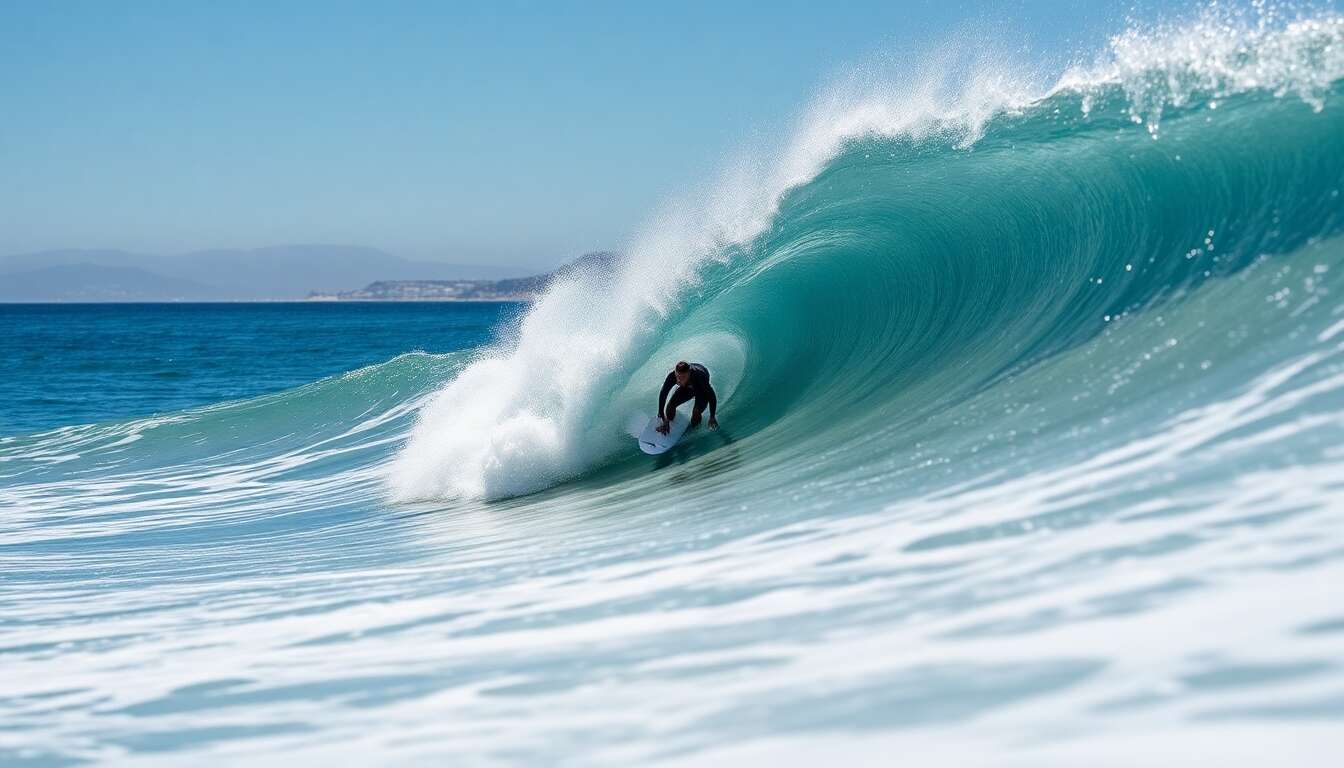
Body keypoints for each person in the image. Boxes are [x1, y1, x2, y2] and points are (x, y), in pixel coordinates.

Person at [656, 360, 718, 434]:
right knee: (671, 405)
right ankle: (668, 423)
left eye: (683, 377)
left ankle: (695, 429)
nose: (680, 379)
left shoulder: (699, 376)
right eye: (678, 376)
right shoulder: (672, 376)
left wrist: (712, 417)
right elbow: (663, 393)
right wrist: (661, 414)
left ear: (689, 373)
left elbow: (711, 396)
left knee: (696, 411)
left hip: (701, 388)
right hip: (687, 388)